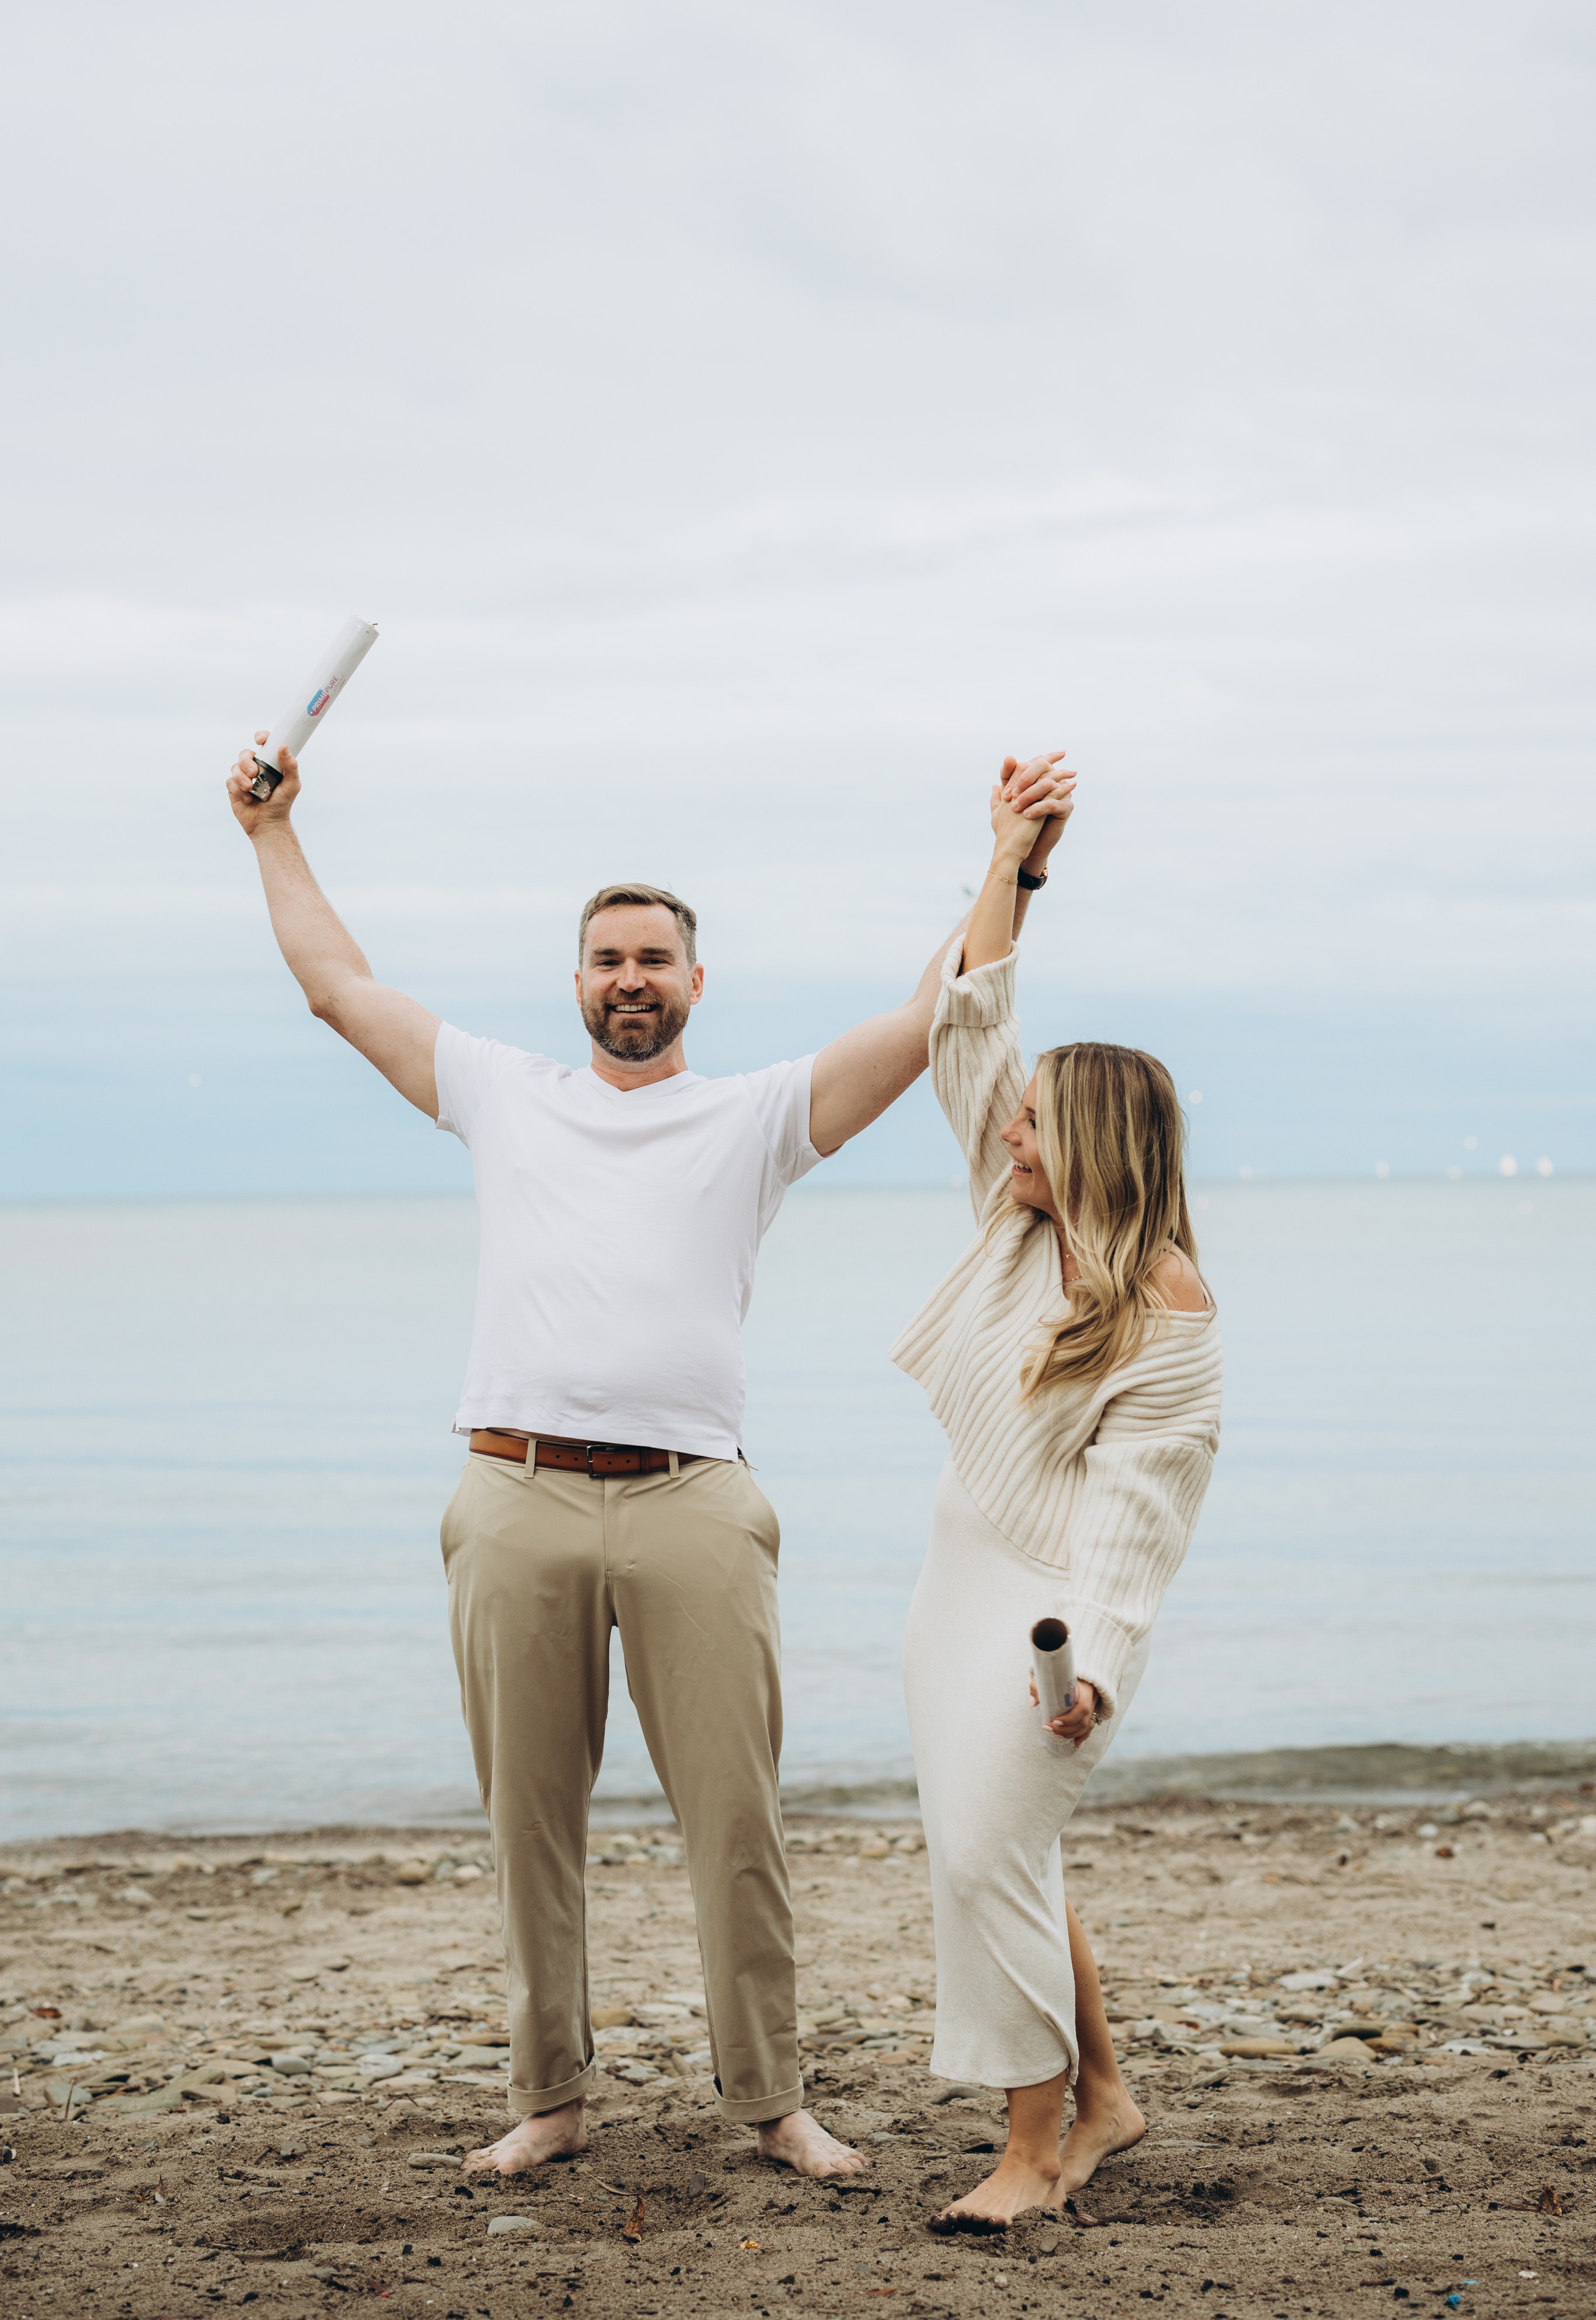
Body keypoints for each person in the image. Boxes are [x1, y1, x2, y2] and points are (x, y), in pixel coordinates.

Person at [225, 725, 1074, 2184]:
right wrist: (270, 834)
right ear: (577, 984)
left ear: (694, 983)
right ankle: (549, 2101)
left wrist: (1007, 869)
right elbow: (337, 987)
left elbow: (932, 1012)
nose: (630, 980)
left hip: (695, 1503)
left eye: (654, 960)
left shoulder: (749, 1118)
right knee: (530, 1825)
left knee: (737, 1824)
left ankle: (772, 2103)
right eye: (606, 960)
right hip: (513, 1496)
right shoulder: (502, 1093)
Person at [890, 763, 1223, 2230]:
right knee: (993, 1844)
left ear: (1088, 1144)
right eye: (1012, 1124)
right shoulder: (1013, 1215)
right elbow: (965, 1018)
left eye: (1032, 1128)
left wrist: (1088, 1671)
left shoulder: (1168, 1319)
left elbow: (1131, 1532)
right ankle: (1103, 2096)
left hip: (1052, 1620)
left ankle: (1035, 2144)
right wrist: (1012, 863)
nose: (1005, 1138)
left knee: (986, 1846)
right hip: (952, 1576)